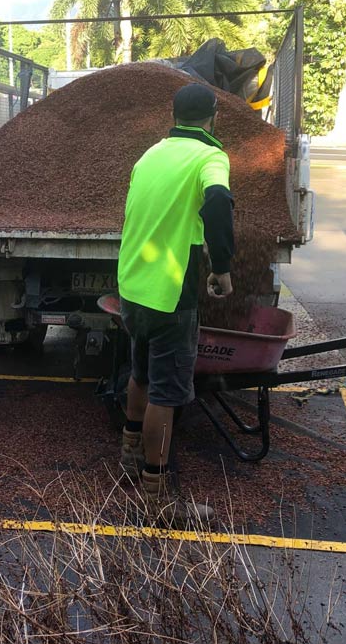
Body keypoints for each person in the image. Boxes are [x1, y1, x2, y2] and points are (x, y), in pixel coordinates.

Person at [116, 83, 235, 527]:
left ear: (175, 115)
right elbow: (219, 200)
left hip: (133, 284)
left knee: (140, 373)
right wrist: (221, 266)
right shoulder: (210, 157)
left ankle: (129, 455)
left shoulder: (150, 154)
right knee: (165, 394)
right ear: (212, 117)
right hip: (171, 291)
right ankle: (157, 495)